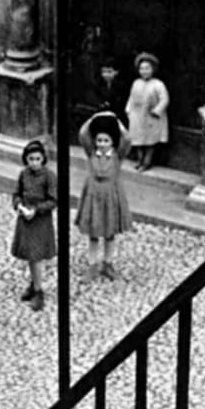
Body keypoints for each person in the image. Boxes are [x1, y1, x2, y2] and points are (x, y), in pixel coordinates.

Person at [75, 112, 132, 282]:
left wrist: (116, 121)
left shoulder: (117, 156)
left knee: (109, 232)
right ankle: (92, 266)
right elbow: (83, 134)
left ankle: (108, 264)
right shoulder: (91, 152)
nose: (102, 144)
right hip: (93, 196)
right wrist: (94, 118)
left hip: (110, 196)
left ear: (113, 141)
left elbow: (127, 139)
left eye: (106, 141)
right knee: (93, 232)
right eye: (99, 141)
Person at [10, 139, 56, 311]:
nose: (35, 163)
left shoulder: (49, 176)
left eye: (38, 159)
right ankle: (33, 283)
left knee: (36, 256)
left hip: (40, 221)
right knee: (30, 255)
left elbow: (53, 200)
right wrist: (19, 205)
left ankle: (38, 291)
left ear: (43, 159)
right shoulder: (23, 174)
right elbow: (16, 193)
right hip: (25, 219)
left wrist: (36, 210)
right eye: (31, 159)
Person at [125, 51, 169, 172]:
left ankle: (147, 162)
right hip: (138, 116)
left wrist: (157, 111)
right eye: (142, 68)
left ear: (153, 69)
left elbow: (165, 99)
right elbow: (131, 97)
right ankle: (139, 159)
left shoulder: (158, 84)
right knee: (138, 140)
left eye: (147, 68)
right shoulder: (136, 83)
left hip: (151, 117)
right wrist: (128, 110)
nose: (144, 71)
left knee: (150, 141)